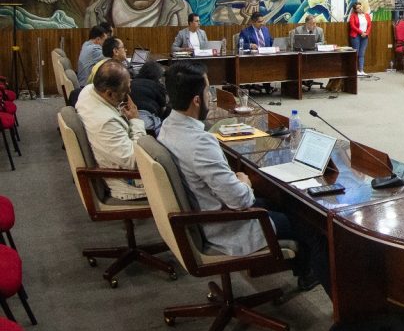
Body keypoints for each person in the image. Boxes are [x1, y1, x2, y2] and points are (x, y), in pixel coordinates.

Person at [158, 61, 329, 292]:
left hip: (200, 215)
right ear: (196, 100)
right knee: (313, 226)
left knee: (282, 202)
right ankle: (341, 312)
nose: (210, 97)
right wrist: (244, 182)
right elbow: (241, 201)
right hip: (223, 227)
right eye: (208, 92)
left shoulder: (168, 126)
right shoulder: (200, 144)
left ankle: (304, 268)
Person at [74, 60, 147, 200]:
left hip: (117, 159)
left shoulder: (88, 91)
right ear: (109, 94)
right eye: (125, 90)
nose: (129, 92)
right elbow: (137, 162)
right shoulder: (106, 122)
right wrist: (135, 121)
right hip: (126, 182)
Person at [130, 60, 169, 134]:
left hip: (129, 116)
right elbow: (163, 108)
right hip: (146, 121)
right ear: (158, 76)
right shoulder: (157, 86)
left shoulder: (132, 82)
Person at [347, 2, 371, 76]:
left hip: (365, 36)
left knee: (362, 54)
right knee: (356, 54)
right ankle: (355, 70)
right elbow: (353, 26)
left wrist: (366, 33)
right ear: (355, 10)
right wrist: (361, 32)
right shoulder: (353, 16)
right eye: (358, 8)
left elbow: (369, 25)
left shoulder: (367, 15)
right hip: (356, 36)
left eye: (360, 6)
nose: (360, 8)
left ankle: (361, 70)